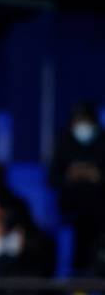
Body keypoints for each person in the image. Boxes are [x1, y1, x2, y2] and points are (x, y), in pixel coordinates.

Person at [50, 102, 105, 273]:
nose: (83, 126)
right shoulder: (64, 142)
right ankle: (71, 292)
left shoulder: (103, 142)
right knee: (70, 257)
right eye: (79, 120)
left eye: (86, 121)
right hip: (70, 214)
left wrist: (96, 175)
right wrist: (70, 175)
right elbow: (52, 177)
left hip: (100, 214)